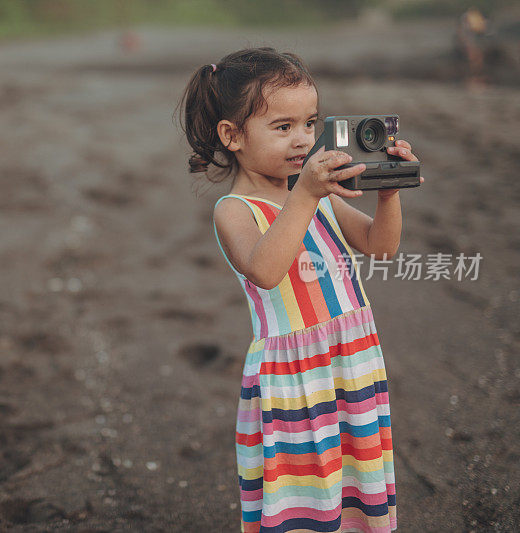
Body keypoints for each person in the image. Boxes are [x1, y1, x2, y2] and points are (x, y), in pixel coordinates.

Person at [177, 48, 425, 532]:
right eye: (283, 127)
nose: (303, 140)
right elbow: (265, 270)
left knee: (356, 474)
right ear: (232, 136)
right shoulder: (236, 209)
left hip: (351, 360)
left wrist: (388, 188)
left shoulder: (317, 195)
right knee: (307, 489)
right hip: (297, 377)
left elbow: (381, 246)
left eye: (310, 124)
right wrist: (307, 194)